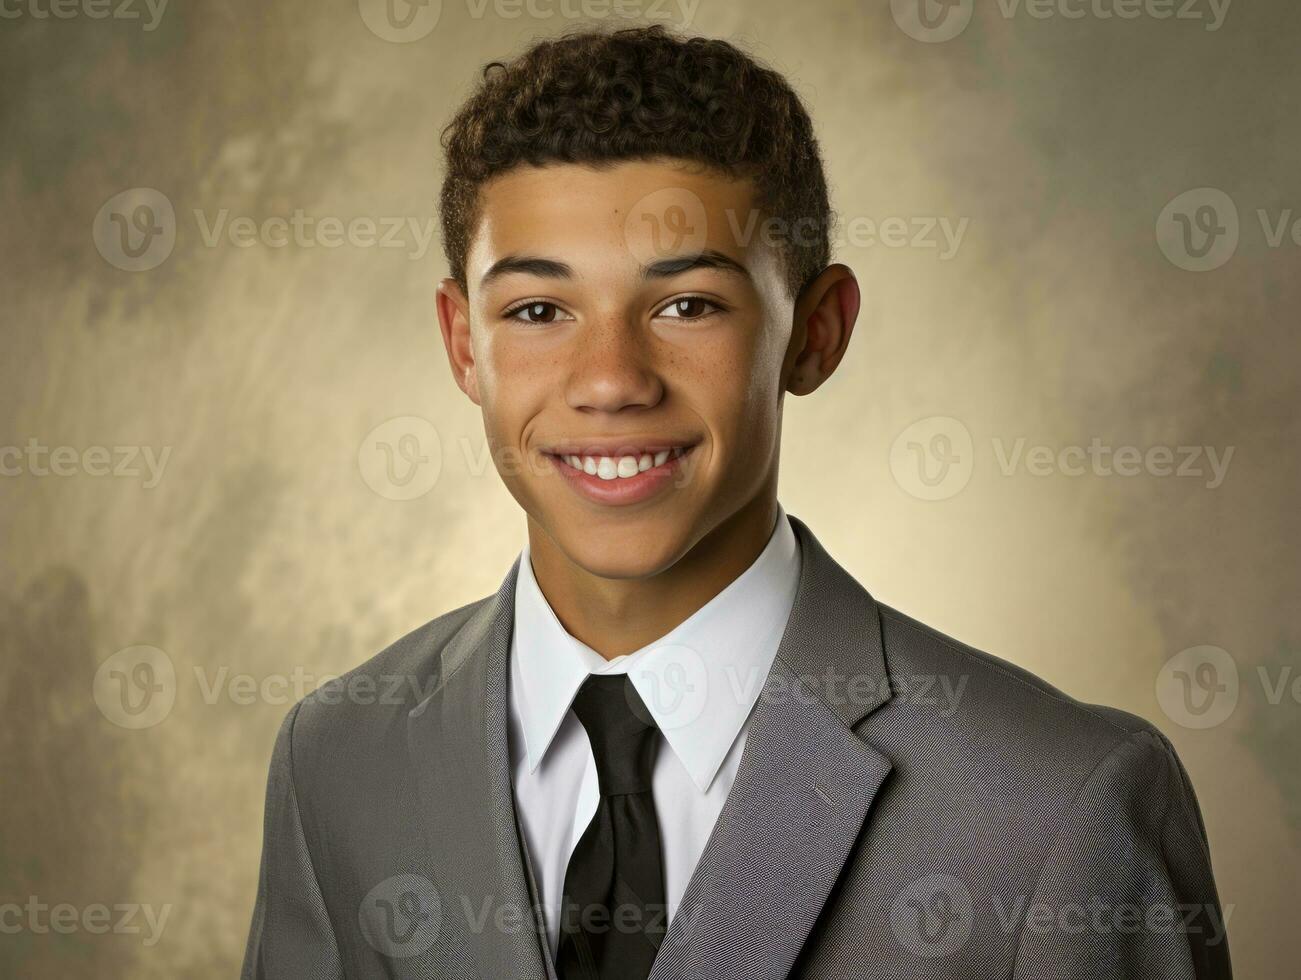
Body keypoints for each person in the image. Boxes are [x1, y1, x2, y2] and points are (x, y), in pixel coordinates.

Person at [243, 25, 1231, 980]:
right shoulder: (340, 760)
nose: (610, 380)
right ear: (464, 344)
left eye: (686, 305)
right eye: (539, 310)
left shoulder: (1056, 802)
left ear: (815, 332)